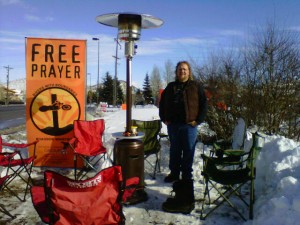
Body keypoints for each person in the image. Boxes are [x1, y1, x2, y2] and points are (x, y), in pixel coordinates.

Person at [159, 61, 207, 214]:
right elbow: (162, 103)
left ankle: (186, 176)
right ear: (176, 71)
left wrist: (198, 121)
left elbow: (204, 104)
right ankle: (174, 173)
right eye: (180, 69)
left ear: (189, 71)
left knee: (188, 151)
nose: (182, 72)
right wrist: (164, 117)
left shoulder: (196, 86)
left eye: (185, 69)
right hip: (173, 125)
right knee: (174, 150)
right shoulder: (170, 86)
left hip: (189, 125)